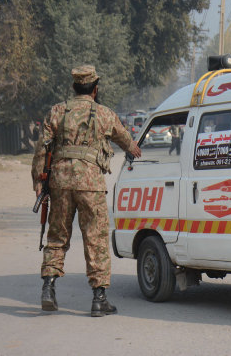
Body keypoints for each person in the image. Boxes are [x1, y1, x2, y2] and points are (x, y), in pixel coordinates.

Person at [31, 65, 141, 317]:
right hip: (90, 184)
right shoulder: (104, 113)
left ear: (74, 87)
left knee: (57, 236)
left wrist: (39, 180)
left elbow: (42, 148)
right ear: (95, 88)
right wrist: (134, 149)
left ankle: (48, 288)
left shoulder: (57, 111)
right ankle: (99, 299)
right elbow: (125, 140)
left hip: (60, 182)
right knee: (96, 238)